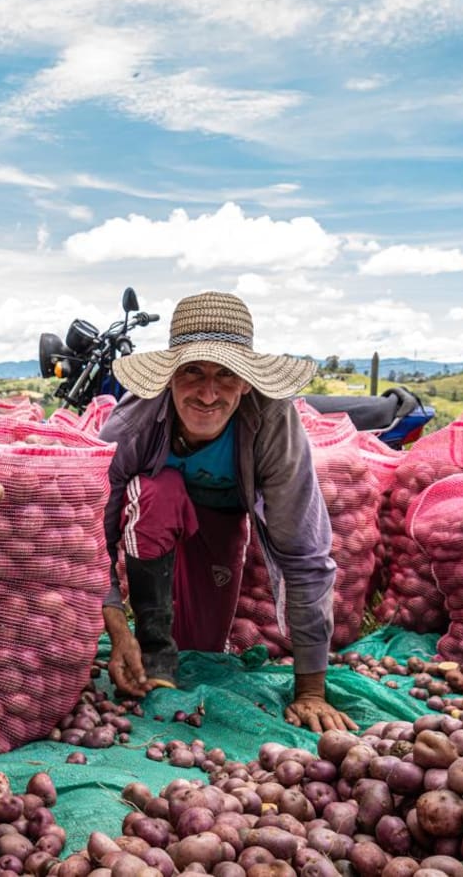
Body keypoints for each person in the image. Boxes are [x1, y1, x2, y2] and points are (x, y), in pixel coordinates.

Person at [98, 290, 357, 733]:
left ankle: (176, 642)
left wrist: (310, 689)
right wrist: (118, 626)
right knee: (157, 491)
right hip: (154, 518)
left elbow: (305, 553)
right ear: (170, 377)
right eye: (192, 372)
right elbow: (90, 536)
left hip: (222, 520)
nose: (208, 393)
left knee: (203, 647)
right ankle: (154, 650)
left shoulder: (273, 424)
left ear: (247, 382)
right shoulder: (132, 426)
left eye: (226, 374)